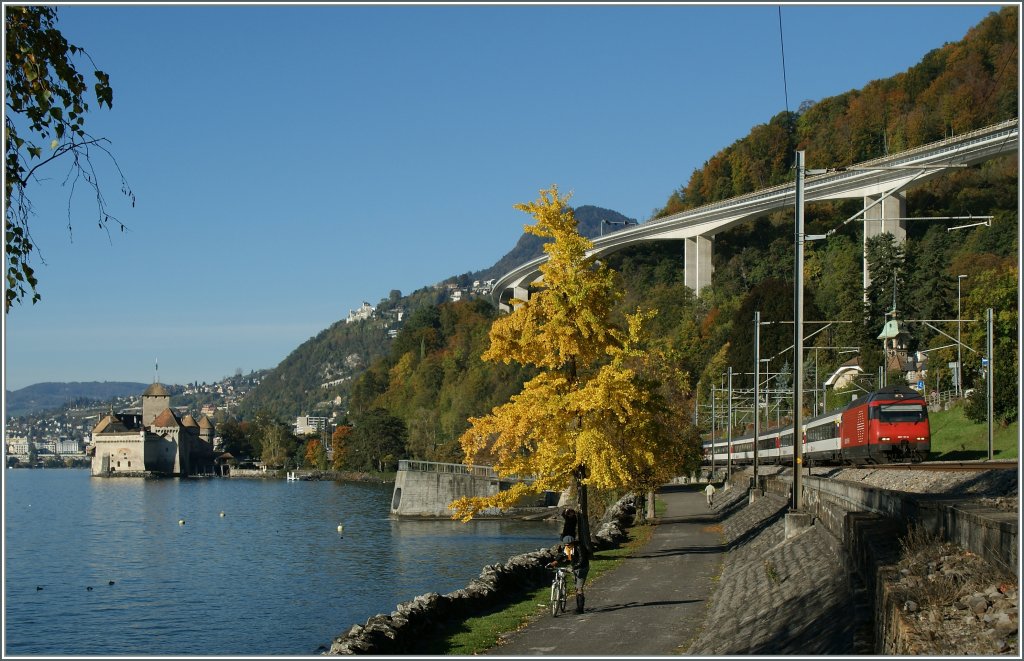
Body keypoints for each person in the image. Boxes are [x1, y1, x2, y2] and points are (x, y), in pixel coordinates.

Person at [547, 538, 590, 613]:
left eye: (569, 545)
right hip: (574, 566)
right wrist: (554, 562)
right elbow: (561, 555)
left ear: (573, 543)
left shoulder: (579, 548)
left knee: (579, 588)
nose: (568, 546)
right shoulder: (566, 548)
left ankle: (580, 609)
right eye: (566, 545)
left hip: (582, 568)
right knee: (575, 585)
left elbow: (581, 560)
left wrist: (574, 567)